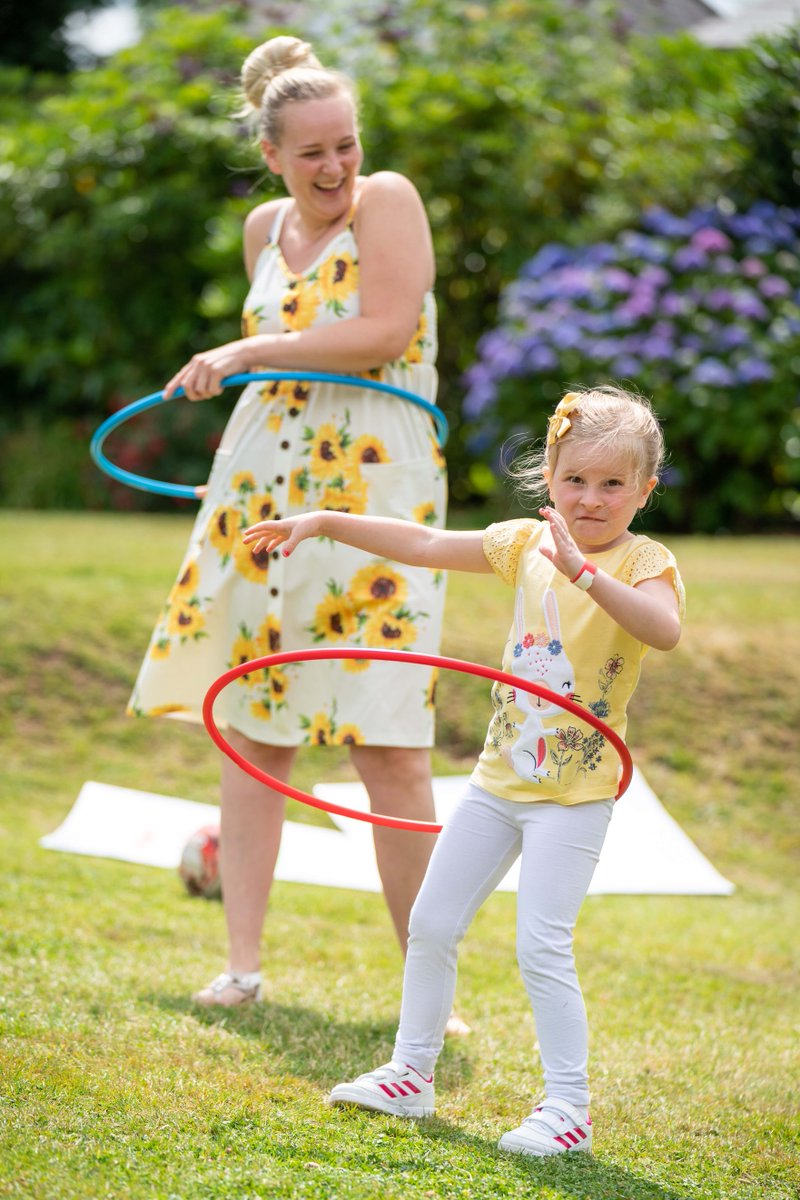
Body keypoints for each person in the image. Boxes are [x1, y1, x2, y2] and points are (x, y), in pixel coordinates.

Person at [242, 386, 685, 1157]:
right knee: (431, 923)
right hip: (496, 780)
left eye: (614, 484)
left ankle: (569, 1110)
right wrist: (323, 522)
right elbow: (421, 544)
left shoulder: (647, 561)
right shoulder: (524, 544)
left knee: (540, 946)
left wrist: (586, 574)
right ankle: (411, 1074)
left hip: (572, 796)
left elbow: (664, 630)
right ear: (549, 478)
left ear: (645, 490)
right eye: (576, 479)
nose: (591, 498)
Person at [128, 34, 460, 1020]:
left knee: (389, 743)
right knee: (253, 727)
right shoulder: (262, 227)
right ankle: (241, 967)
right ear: (271, 154)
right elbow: (284, 364)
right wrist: (248, 367)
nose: (334, 169)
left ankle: (428, 991)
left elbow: (384, 334)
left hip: (372, 495)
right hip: (261, 492)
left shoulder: (388, 202)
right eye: (311, 152)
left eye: (345, 146)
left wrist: (240, 347)